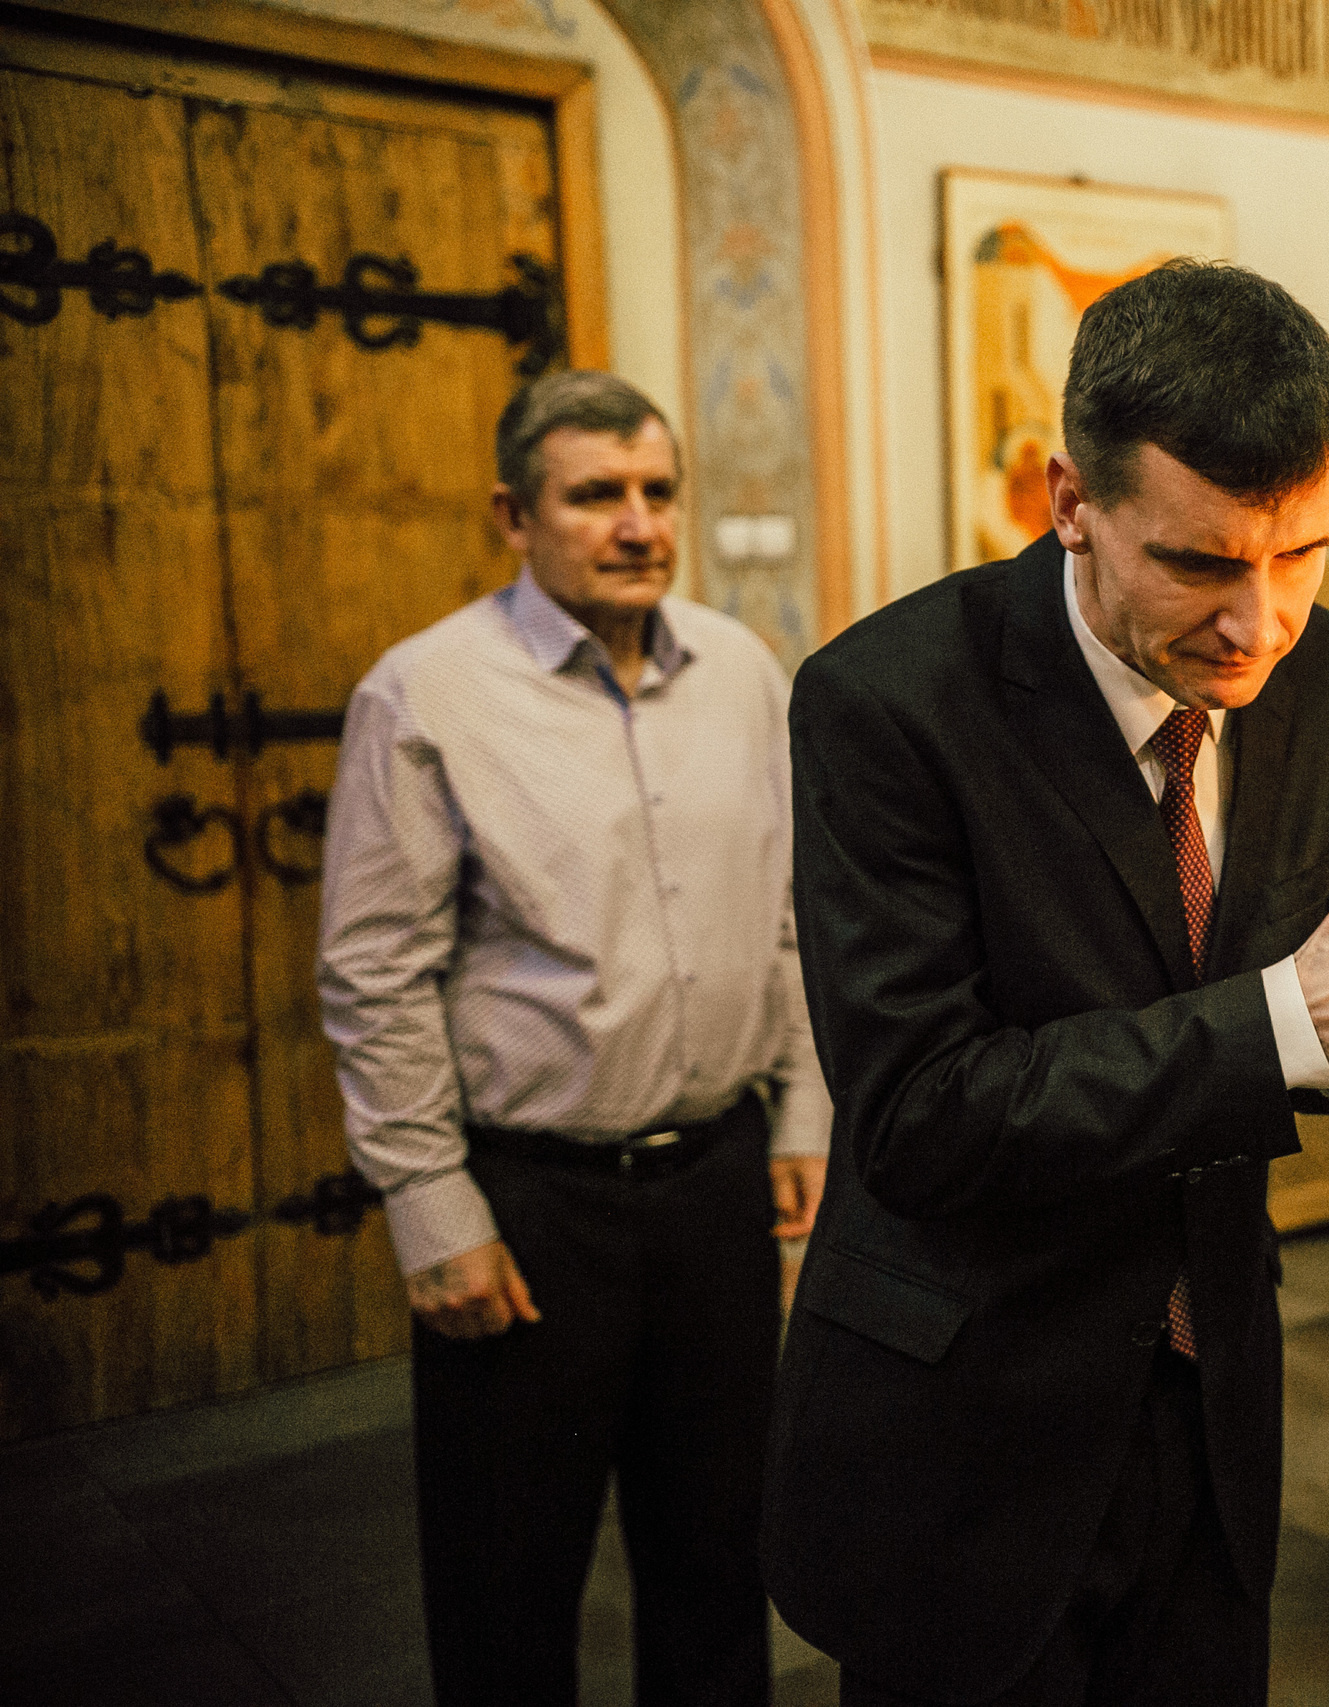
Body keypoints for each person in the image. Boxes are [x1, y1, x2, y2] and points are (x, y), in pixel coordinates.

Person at [763, 260, 1329, 1707]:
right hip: (970, 1418)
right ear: (1070, 504)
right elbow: (918, 1113)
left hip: (1211, 1386)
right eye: (1204, 564)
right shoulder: (889, 702)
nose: (1260, 623)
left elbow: (1313, 983)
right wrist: (1290, 1019)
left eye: (1305, 554)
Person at [317, 371, 830, 1706]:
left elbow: (788, 905)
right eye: (596, 495)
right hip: (532, 1203)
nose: (638, 523)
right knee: (507, 1584)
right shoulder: (425, 695)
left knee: (722, 1563)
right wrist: (432, 1208)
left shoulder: (741, 672)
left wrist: (803, 1110)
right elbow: (377, 972)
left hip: (717, 1183)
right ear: (514, 514)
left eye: (657, 492)